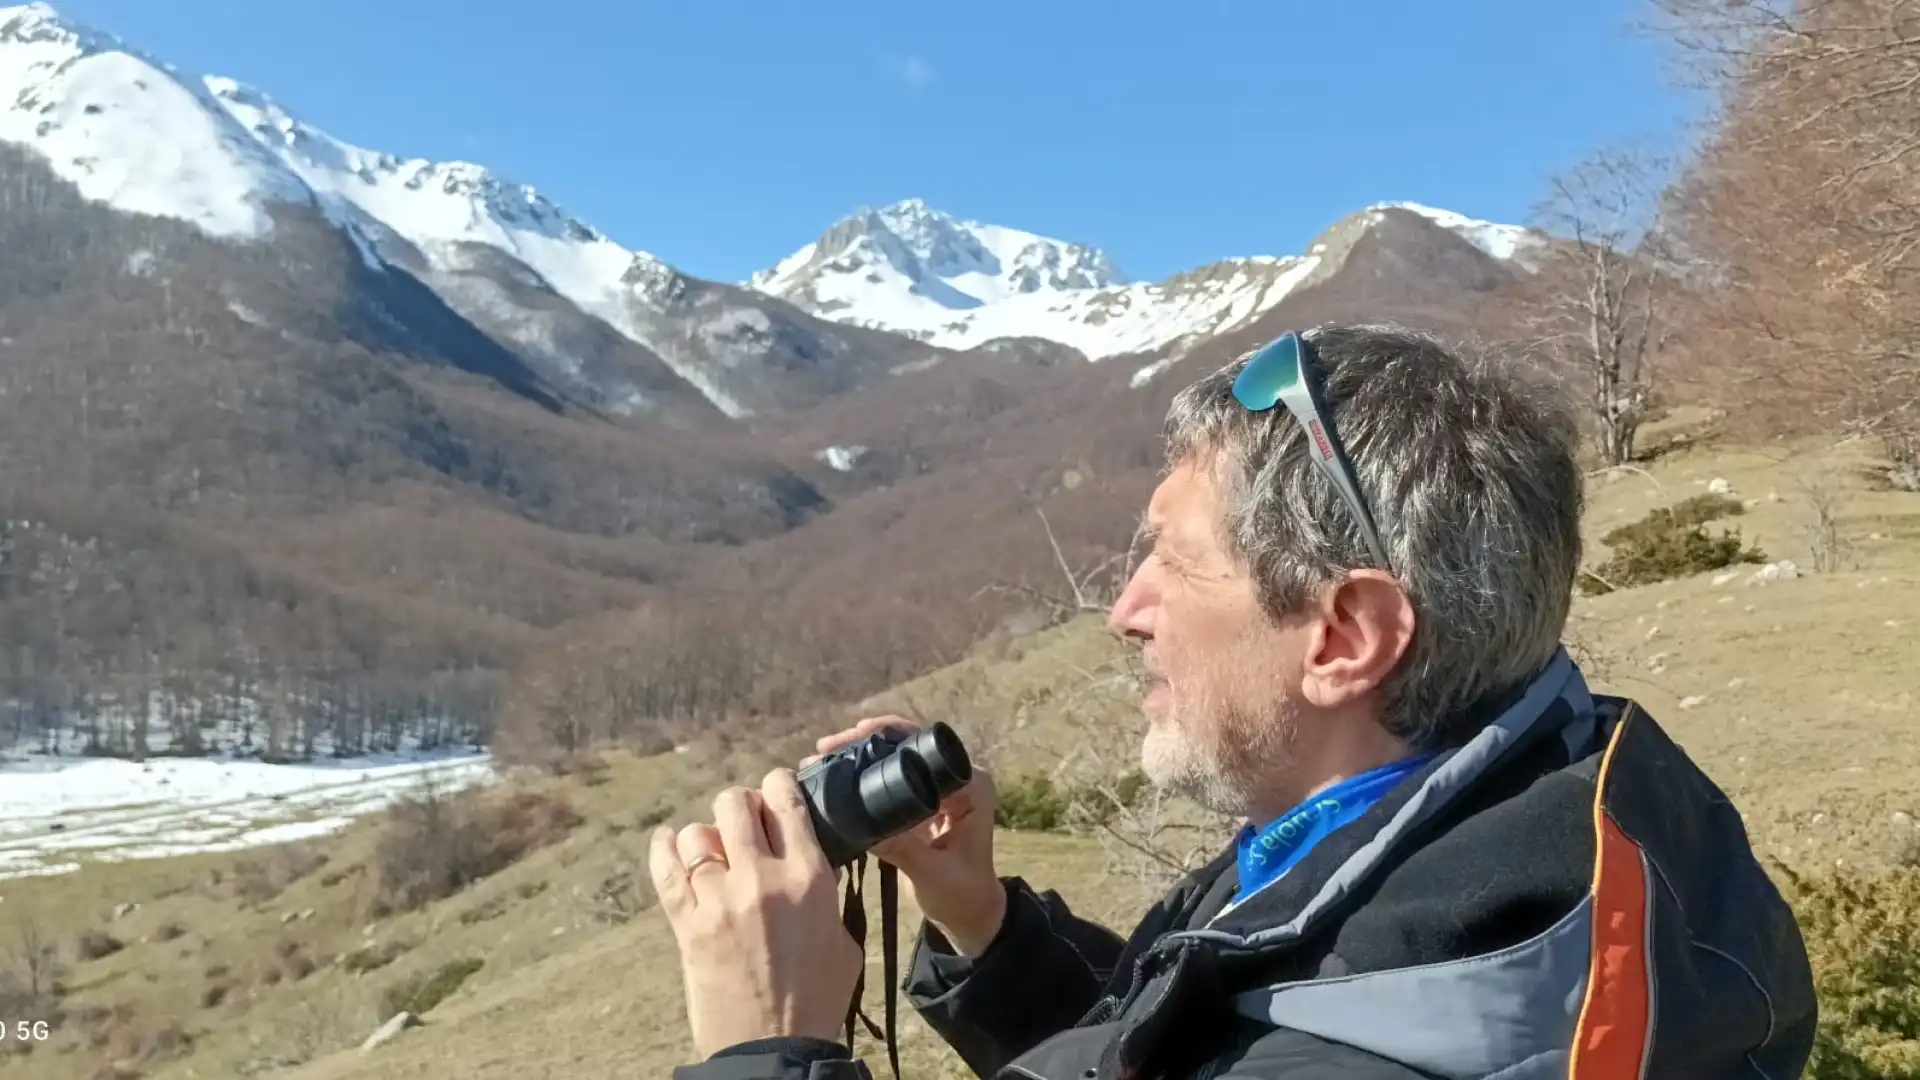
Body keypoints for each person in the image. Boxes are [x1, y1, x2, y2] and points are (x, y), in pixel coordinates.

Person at [648, 323, 1819, 1080]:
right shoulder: (1522, 820)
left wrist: (771, 1042)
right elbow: (1171, 1043)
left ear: (1346, 638)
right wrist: (984, 923)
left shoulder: (1412, 1038)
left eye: (1173, 560)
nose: (1125, 608)